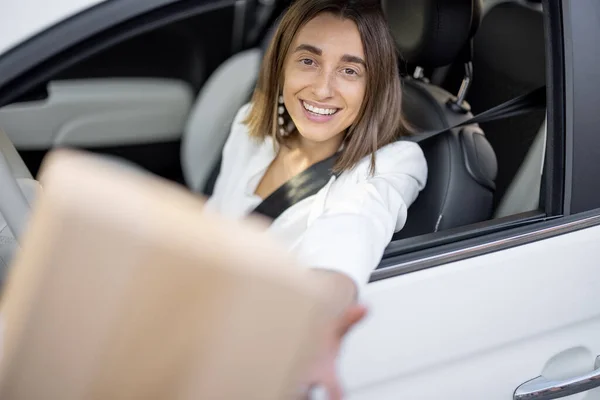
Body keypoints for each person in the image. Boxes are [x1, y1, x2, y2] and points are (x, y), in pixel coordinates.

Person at [205, 0, 428, 397]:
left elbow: (354, 229)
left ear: (373, 85)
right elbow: (212, 229)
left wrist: (319, 322)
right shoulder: (248, 129)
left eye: (349, 70)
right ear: (280, 65)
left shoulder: (391, 165)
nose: (323, 89)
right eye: (308, 61)